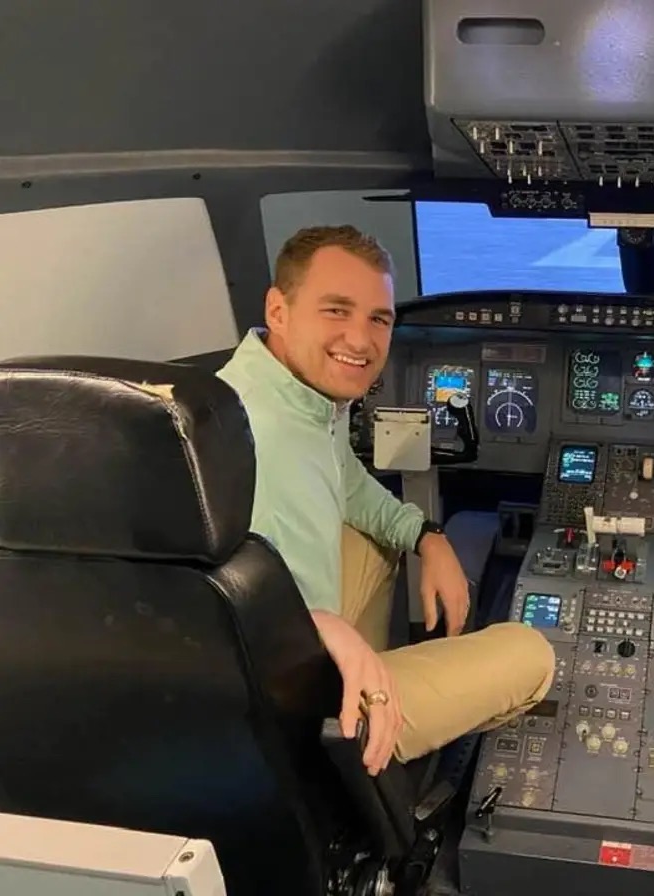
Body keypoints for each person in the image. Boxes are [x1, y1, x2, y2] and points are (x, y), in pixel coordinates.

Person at [216, 224, 555, 776]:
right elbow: (239, 632)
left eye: (378, 318)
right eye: (336, 310)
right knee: (532, 654)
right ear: (278, 310)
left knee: (372, 536)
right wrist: (324, 634)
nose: (360, 340)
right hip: (294, 696)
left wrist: (426, 535)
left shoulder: (289, 395)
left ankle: (376, 671)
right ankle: (373, 739)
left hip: (288, 636)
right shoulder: (263, 440)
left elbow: (348, 484)